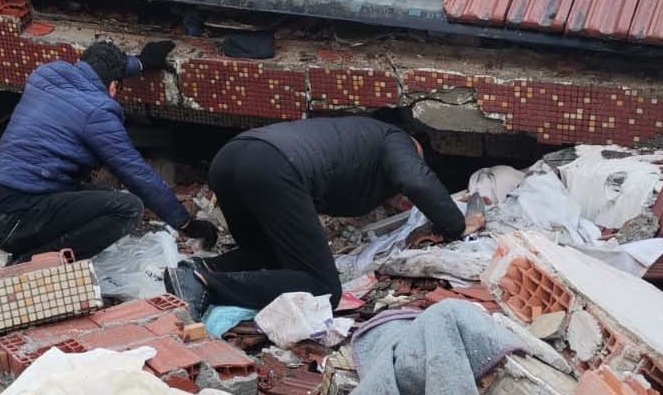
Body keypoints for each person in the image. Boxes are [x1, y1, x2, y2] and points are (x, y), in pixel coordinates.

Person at [167, 116, 467, 313]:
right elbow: (415, 179)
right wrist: (456, 226)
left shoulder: (358, 135)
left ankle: (194, 269)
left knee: (266, 254)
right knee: (323, 288)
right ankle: (205, 281)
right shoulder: (396, 138)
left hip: (231, 157)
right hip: (274, 167)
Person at [0, 40, 219, 262]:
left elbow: (97, 70)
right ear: (114, 86)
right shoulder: (98, 112)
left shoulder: (47, 74)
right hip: (16, 221)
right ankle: (33, 263)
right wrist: (186, 224)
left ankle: (36, 252)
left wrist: (142, 63)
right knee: (127, 208)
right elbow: (137, 174)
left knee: (99, 194)